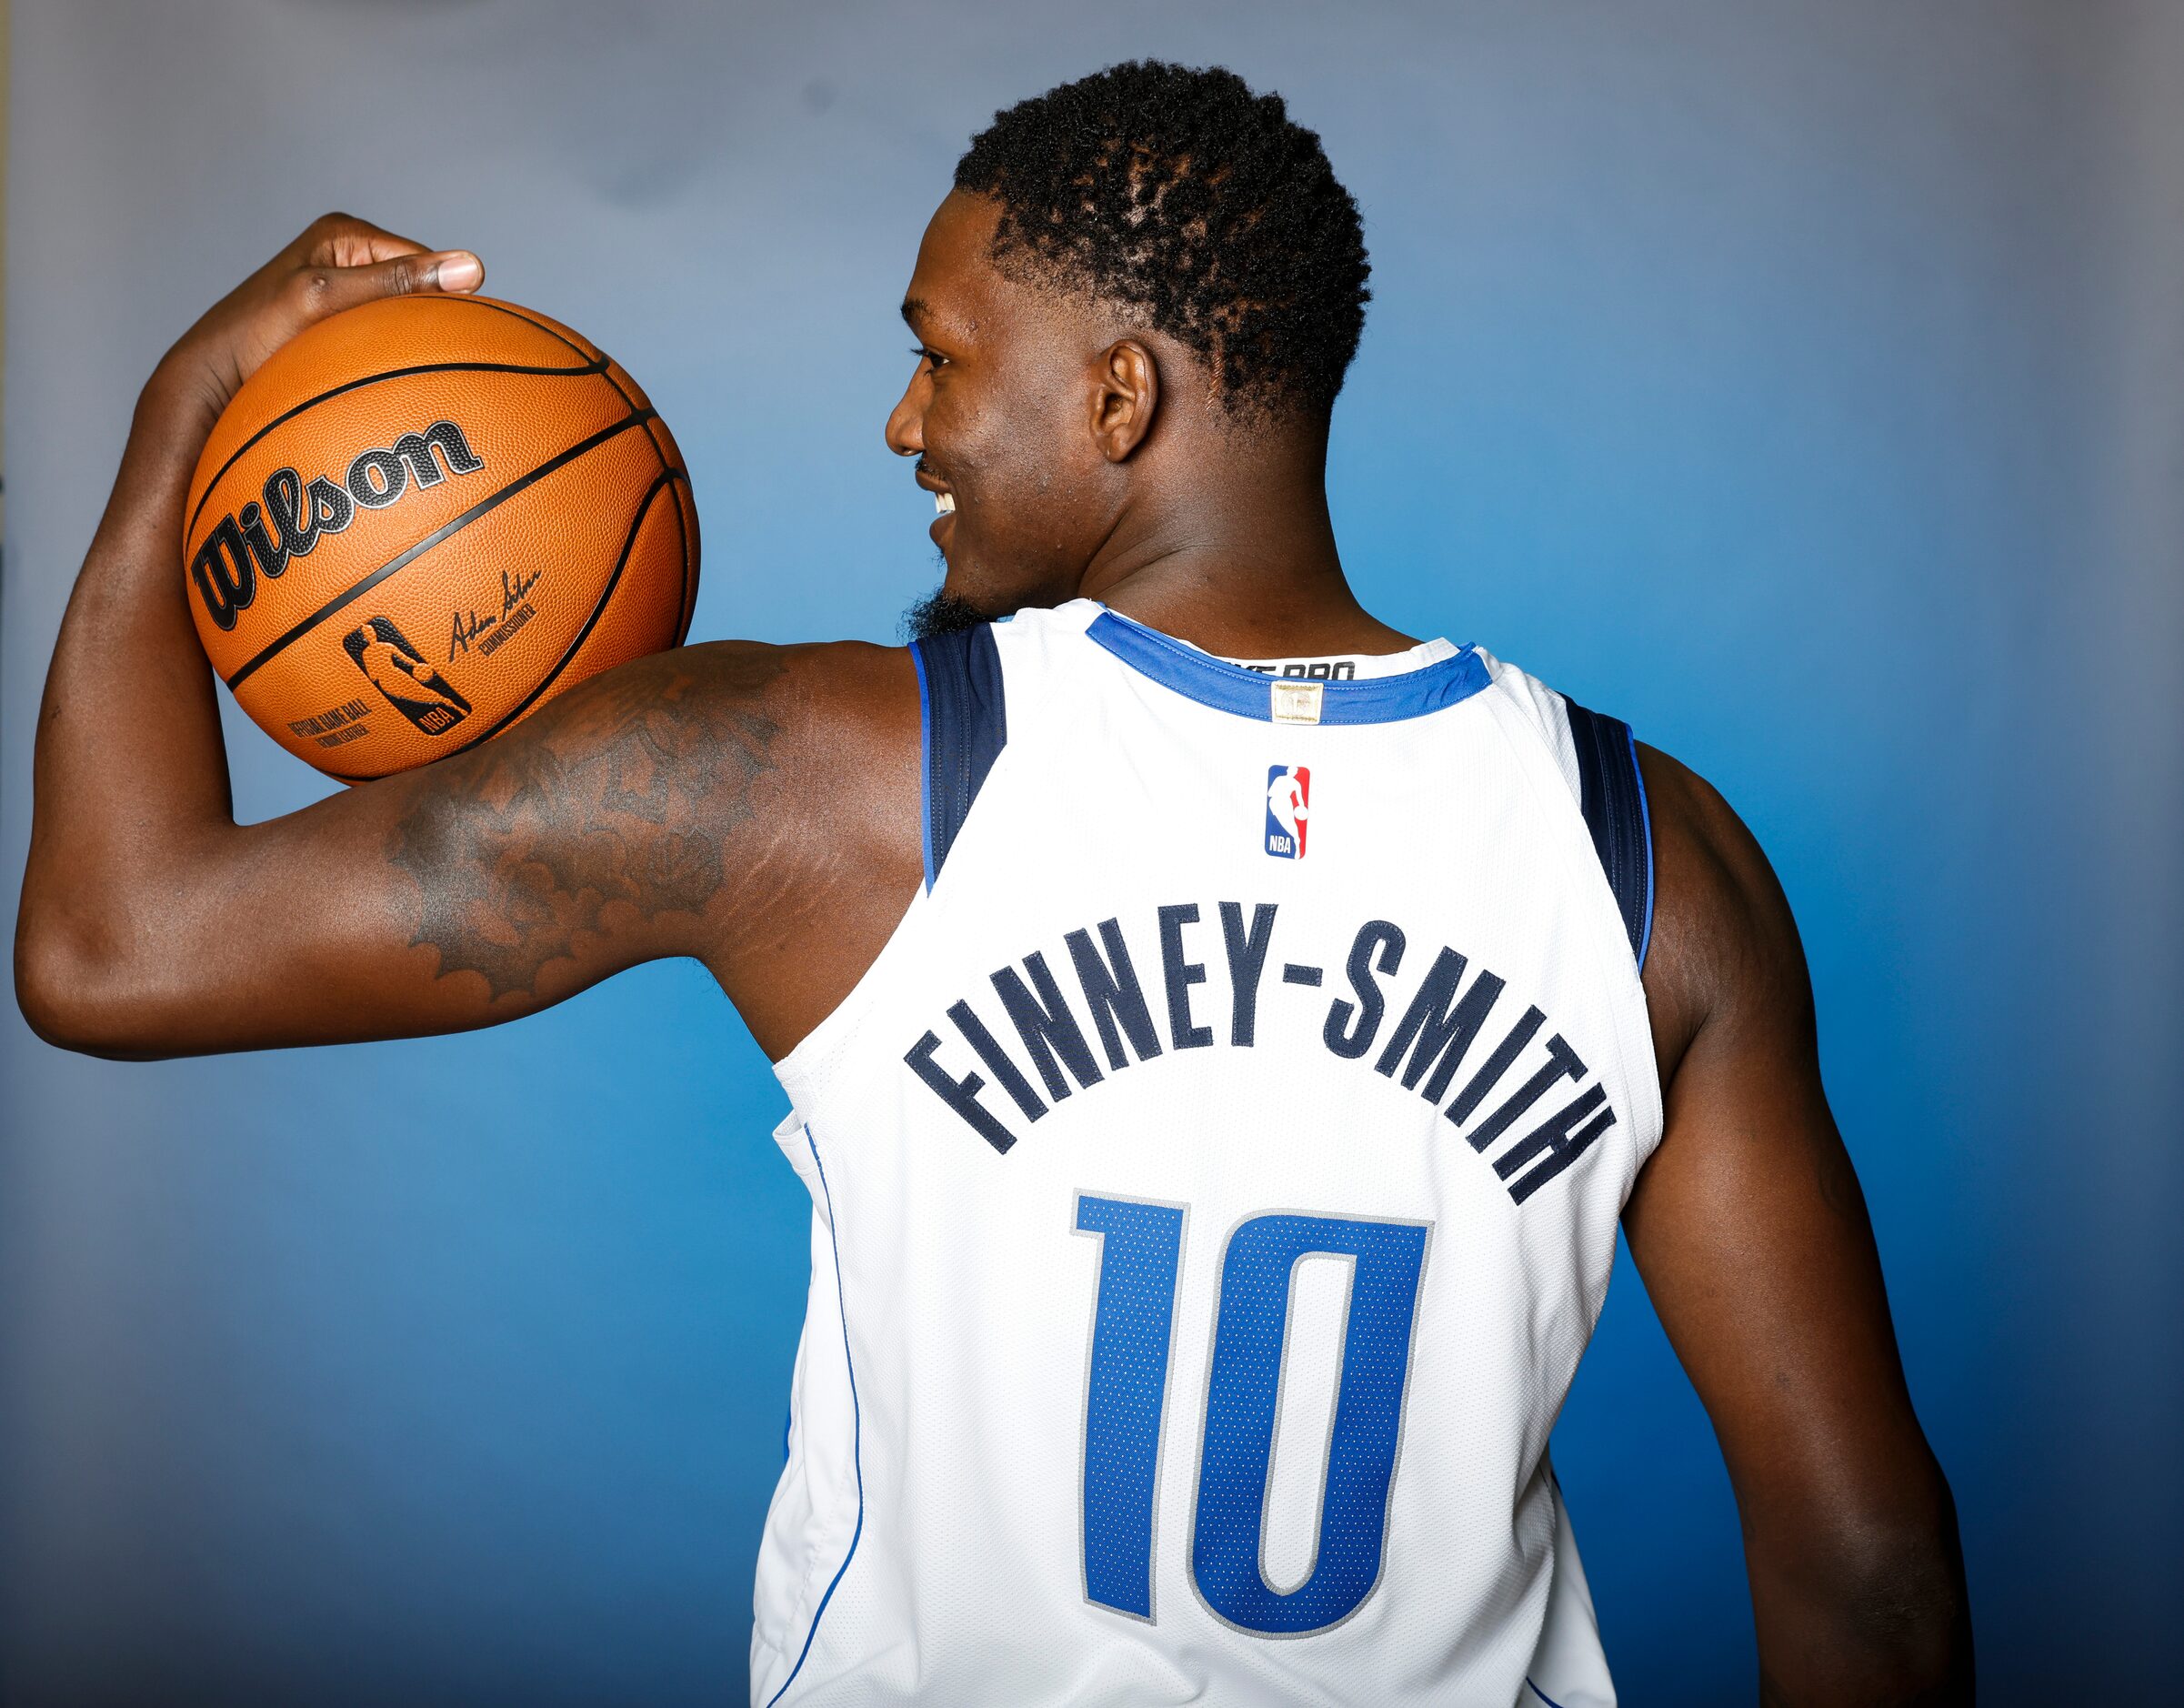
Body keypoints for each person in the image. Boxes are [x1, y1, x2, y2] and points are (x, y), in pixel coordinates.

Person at [15, 59, 1970, 1708]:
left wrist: (185, 404)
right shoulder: (1650, 858)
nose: (905, 422)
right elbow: (1865, 1562)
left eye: (942, 357)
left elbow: (114, 949)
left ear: (1117, 399)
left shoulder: (815, 782)